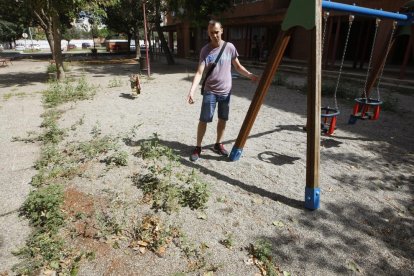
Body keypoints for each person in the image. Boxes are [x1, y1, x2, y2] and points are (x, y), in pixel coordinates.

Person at [187, 20, 258, 161]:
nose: (215, 35)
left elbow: (237, 67)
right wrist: (192, 91)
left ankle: (218, 144)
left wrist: (250, 75)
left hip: (226, 92)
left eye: (217, 32)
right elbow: (199, 73)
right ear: (208, 33)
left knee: (223, 119)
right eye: (211, 33)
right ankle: (198, 147)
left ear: (222, 31)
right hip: (210, 91)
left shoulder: (230, 47)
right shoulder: (205, 50)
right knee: (204, 119)